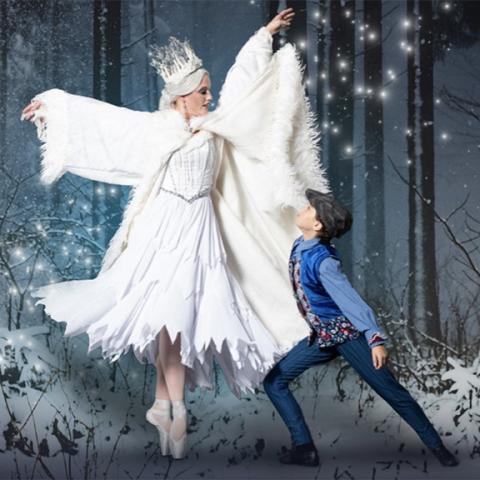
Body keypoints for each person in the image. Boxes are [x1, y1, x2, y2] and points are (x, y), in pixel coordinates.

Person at [21, 8, 328, 459]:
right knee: (170, 320)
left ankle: (166, 406)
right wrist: (54, 107)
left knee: (180, 322)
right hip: (162, 233)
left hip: (200, 233)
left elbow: (244, 85)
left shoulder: (215, 129)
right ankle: (173, 409)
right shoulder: (156, 130)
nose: (209, 95)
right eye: (202, 91)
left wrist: (263, 36)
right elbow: (108, 124)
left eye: (208, 90)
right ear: (182, 96)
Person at [263, 189, 459, 468]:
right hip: (323, 336)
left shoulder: (324, 261)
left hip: (349, 335)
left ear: (317, 225)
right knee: (274, 382)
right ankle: (304, 448)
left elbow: (351, 302)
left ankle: (438, 448)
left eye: (309, 209)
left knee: (392, 392)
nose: (303, 209)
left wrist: (375, 339)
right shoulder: (300, 245)